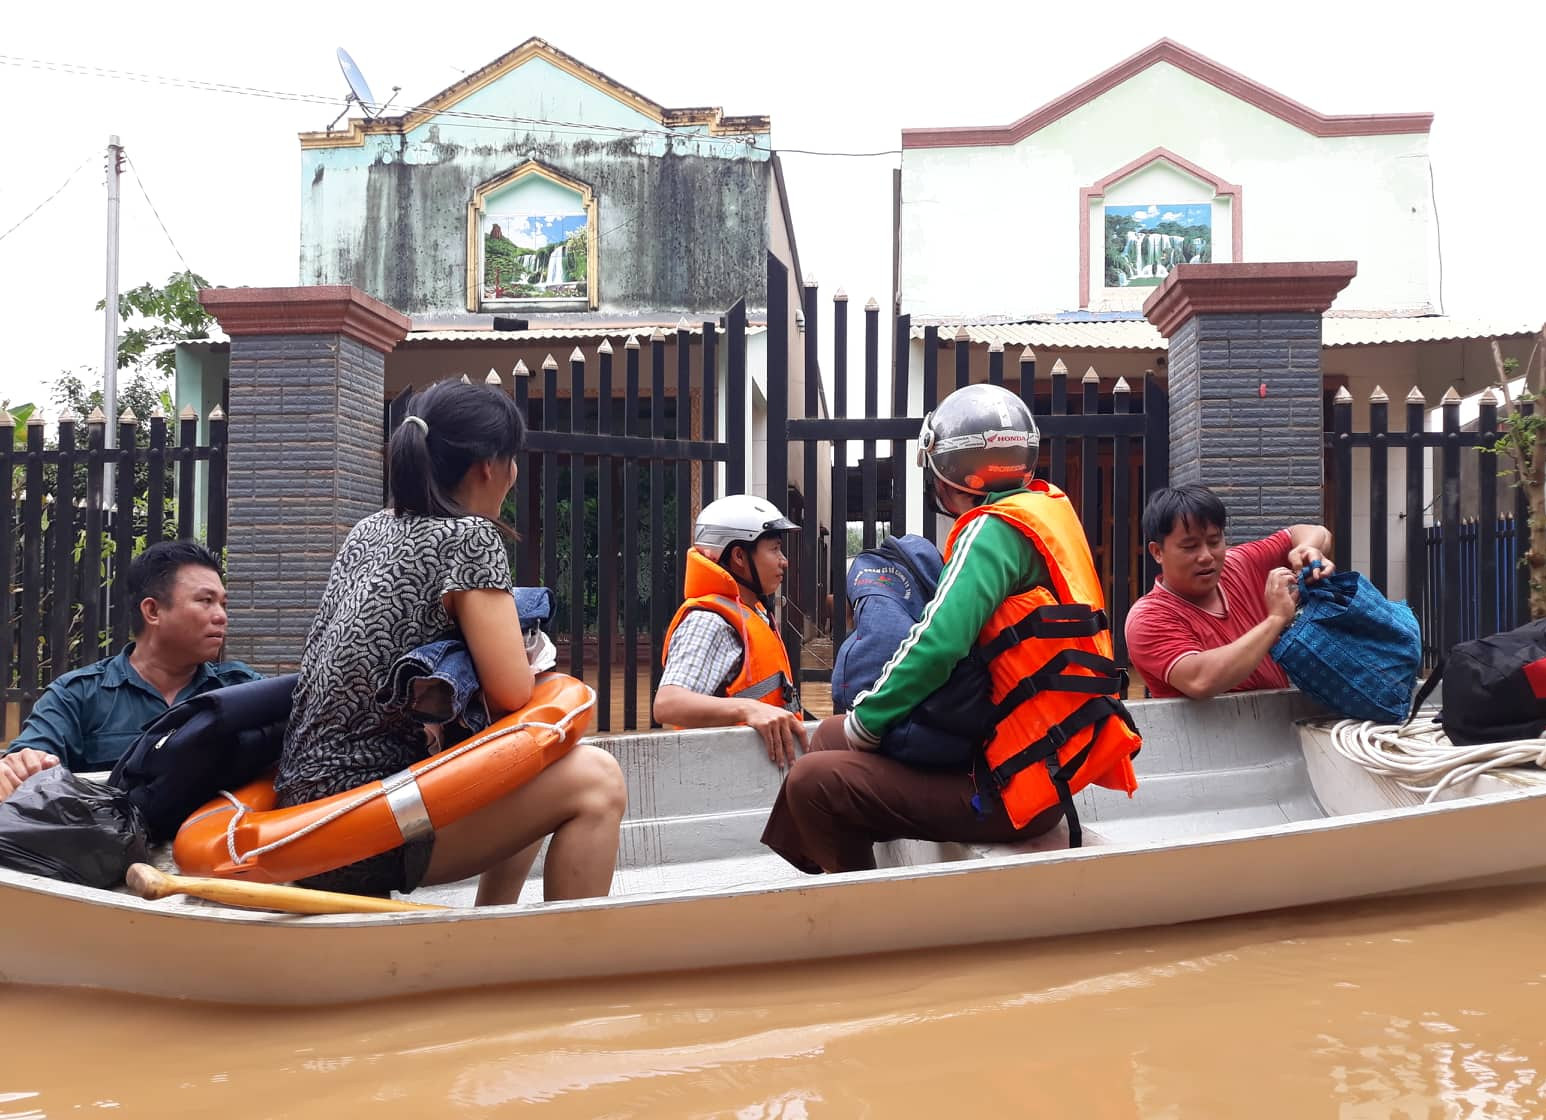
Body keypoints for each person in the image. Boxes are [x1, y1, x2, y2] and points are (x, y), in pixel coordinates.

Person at [274, 378, 625, 905]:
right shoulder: (471, 538)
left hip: (303, 804)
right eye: (513, 460)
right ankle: (568, 970)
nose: (512, 475)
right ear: (489, 465)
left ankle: (492, 928)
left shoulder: (369, 530)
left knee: (534, 762)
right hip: (363, 827)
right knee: (597, 779)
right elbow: (510, 694)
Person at [762, 384, 1139, 874]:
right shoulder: (1046, 511)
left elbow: (935, 646)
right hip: (1048, 768)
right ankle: (832, 864)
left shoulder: (989, 532)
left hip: (1012, 788)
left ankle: (861, 908)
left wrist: (867, 722)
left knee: (812, 781)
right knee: (827, 737)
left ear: (946, 473)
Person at [0, 540, 260, 802]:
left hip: (218, 838)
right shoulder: (77, 695)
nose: (221, 616)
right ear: (152, 610)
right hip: (110, 840)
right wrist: (22, 764)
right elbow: (27, 762)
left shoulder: (240, 689)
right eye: (206, 601)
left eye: (222, 604)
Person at [1125, 484, 1335, 700]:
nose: (1206, 556)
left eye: (1214, 541)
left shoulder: (1238, 564)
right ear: (1157, 552)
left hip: (1277, 727)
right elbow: (1200, 680)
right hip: (1202, 734)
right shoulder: (1148, 618)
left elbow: (1316, 531)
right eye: (1190, 546)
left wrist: (1307, 549)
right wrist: (1276, 619)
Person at [653, 494, 807, 770]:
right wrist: (749, 709)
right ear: (739, 556)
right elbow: (668, 703)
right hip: (724, 776)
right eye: (774, 549)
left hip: (758, 769)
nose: (784, 561)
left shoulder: (753, 609)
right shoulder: (709, 621)